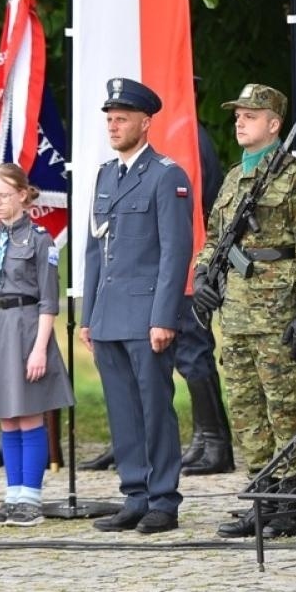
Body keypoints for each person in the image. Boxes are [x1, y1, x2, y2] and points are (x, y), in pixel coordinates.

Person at [193, 84, 296, 539]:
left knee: (284, 409)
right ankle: (261, 499)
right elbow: (214, 237)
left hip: (279, 311)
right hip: (236, 311)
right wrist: (202, 276)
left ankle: (290, 506)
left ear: (274, 124)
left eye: (250, 115)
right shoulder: (235, 177)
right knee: (246, 409)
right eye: (238, 115)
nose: (240, 121)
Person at [80, 77, 194, 534]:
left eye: (122, 118)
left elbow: (175, 252)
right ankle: (135, 494)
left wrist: (164, 317)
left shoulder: (167, 175)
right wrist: (88, 315)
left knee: (154, 408)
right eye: (110, 119)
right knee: (122, 411)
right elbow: (94, 251)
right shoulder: (106, 175)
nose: (113, 126)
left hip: (147, 316)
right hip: (109, 314)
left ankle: (163, 499)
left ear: (145, 123)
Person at [0, 163, 74, 527]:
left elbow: (48, 301)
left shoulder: (40, 240)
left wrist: (40, 348)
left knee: (28, 414)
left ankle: (31, 497)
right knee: (6, 417)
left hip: (25, 329)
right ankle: (13, 494)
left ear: (23, 195)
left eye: (3, 196)